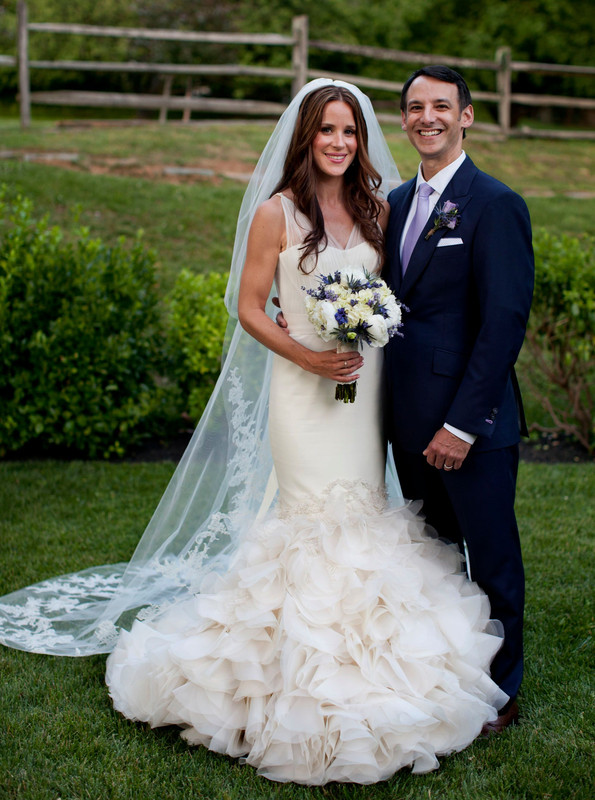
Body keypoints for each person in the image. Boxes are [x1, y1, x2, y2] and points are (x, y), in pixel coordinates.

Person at [0, 79, 505, 785]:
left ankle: (366, 659)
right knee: (310, 516)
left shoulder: (376, 210)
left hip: (363, 393)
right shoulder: (278, 212)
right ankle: (290, 673)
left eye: (350, 132)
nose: (338, 143)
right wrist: (307, 353)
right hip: (302, 392)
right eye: (326, 130)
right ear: (305, 137)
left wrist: (368, 331)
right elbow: (247, 307)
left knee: (361, 509)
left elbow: (398, 295)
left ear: (361, 141)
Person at [384, 65, 535, 735]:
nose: (427, 117)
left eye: (440, 106)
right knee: (434, 555)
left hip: (468, 423)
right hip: (404, 417)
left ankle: (501, 690)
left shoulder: (493, 203)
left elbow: (503, 321)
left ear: (465, 116)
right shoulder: (389, 204)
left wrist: (461, 424)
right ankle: (445, 668)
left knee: (490, 556)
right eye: (415, 107)